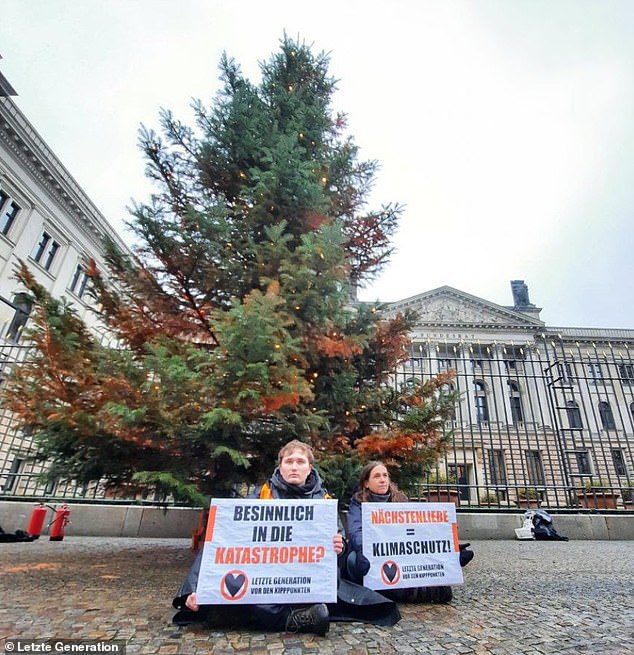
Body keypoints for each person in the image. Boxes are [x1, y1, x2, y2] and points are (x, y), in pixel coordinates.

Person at [172, 441, 400, 635]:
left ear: (310, 468)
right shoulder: (261, 496)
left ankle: (255, 614)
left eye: (300, 462)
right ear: (280, 467)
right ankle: (291, 619)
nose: (294, 466)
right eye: (288, 461)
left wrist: (338, 549)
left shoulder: (323, 502)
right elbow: (222, 540)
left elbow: (338, 560)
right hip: (265, 577)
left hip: (305, 580)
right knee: (246, 592)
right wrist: (195, 587)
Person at [343, 461, 474, 604]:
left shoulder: (400, 501)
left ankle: (415, 589)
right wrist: (364, 550)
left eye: (385, 475)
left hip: (396, 554)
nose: (382, 480)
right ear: (366, 483)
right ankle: (420, 591)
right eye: (377, 476)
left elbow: (419, 532)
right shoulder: (357, 503)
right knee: (353, 561)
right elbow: (356, 532)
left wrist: (450, 550)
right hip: (371, 555)